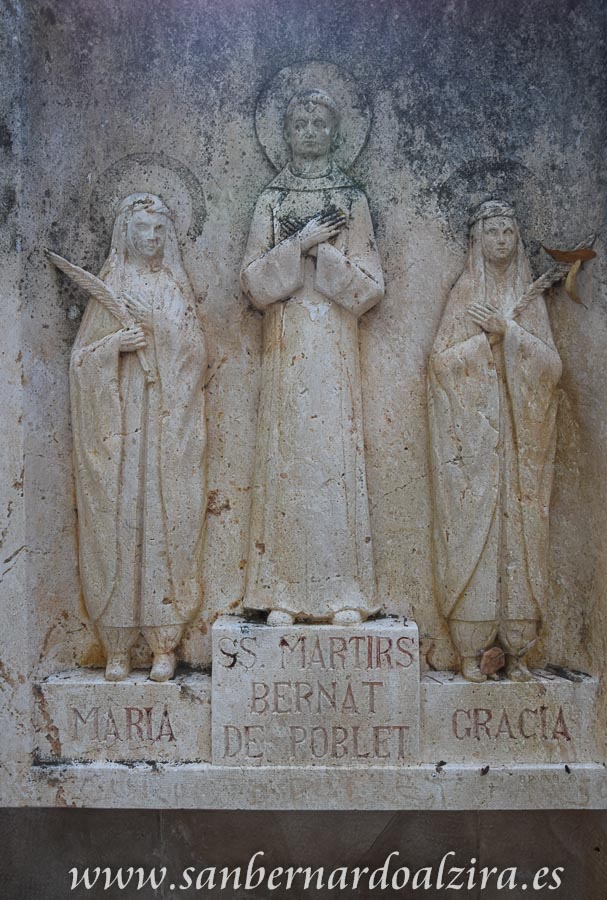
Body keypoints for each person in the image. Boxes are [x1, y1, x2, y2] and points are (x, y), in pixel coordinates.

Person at [240, 89, 384, 626]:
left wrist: (324, 251)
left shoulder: (352, 199)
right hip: (286, 345)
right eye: (298, 122)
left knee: (333, 460)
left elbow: (370, 287)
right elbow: (253, 283)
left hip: (334, 347)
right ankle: (282, 594)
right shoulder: (271, 200)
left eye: (318, 122)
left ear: (334, 131)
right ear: (285, 132)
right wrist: (297, 243)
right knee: (288, 460)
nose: (308, 131)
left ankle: (345, 592)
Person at [70, 193, 208, 681]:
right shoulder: (111, 287)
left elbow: (195, 353)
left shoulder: (171, 286)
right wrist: (116, 345)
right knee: (119, 521)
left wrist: (157, 326)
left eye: (159, 230)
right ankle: (117, 643)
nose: (152, 238)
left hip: (164, 429)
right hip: (119, 431)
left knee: (163, 523)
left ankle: (163, 639)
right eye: (143, 229)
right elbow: (81, 362)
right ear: (125, 233)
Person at [427, 200, 562, 682]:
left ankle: (519, 648)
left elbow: (552, 368)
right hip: (475, 443)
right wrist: (483, 344)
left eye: (508, 232)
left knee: (522, 535)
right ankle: (471, 646)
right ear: (477, 239)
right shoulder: (466, 294)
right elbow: (440, 365)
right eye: (492, 232)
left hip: (521, 442)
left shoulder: (529, 298)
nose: (501, 240)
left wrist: (512, 333)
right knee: (474, 535)